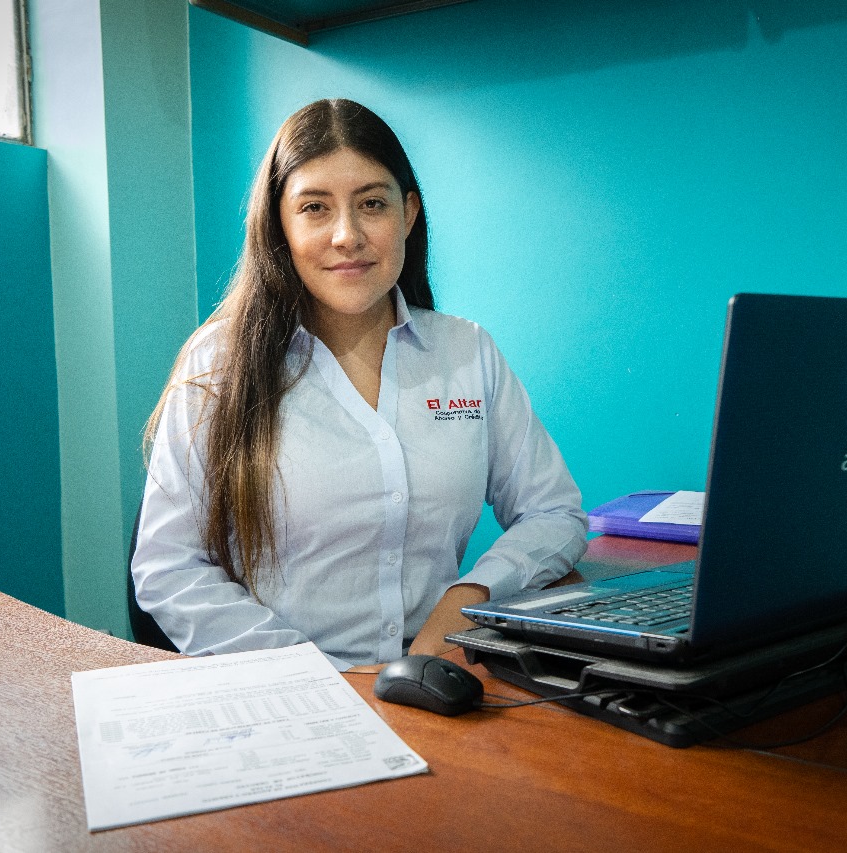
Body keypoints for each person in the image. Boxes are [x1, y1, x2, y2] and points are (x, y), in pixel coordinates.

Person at [132, 99, 586, 671]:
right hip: (287, 690)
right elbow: (168, 567)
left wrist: (470, 598)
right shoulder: (219, 363)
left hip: (434, 675)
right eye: (315, 208)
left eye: (372, 204)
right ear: (280, 224)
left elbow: (555, 513)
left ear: (409, 213)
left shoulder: (466, 352)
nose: (347, 235)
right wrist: (316, 676)